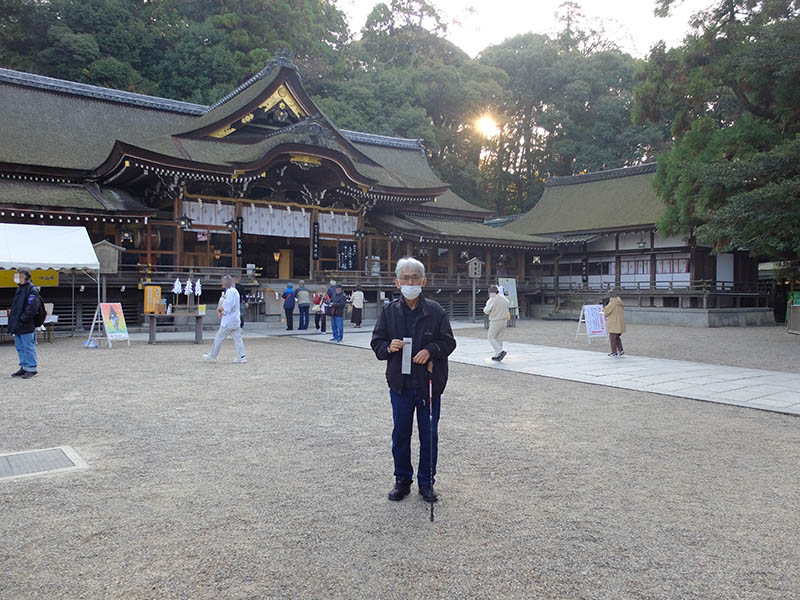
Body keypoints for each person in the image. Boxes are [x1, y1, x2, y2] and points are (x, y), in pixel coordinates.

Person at [371, 257, 456, 503]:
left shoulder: (436, 311)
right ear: (397, 283)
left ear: (423, 281)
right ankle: (402, 480)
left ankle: (427, 482)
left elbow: (449, 342)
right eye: (405, 278)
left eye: (415, 278)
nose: (410, 282)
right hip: (400, 384)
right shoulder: (389, 312)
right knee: (401, 434)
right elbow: (376, 344)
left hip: (429, 383)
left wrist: (431, 350)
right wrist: (388, 347)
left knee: (429, 434)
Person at [203, 275, 246, 363]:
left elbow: (228, 305)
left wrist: (220, 310)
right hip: (235, 320)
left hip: (229, 320)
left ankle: (213, 355)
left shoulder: (231, 292)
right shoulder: (234, 291)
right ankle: (242, 356)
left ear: (225, 283)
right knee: (238, 338)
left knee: (219, 337)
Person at [8, 268, 41, 379]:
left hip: (26, 324)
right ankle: (24, 366)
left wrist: (22, 319)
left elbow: (32, 308)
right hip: (17, 324)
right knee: (20, 347)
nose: (16, 277)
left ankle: (32, 368)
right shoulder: (19, 289)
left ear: (24, 276)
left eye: (18, 275)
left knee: (28, 347)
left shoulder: (32, 290)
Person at [483, 284, 510, 361]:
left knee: (490, 337)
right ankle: (498, 354)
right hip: (504, 320)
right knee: (499, 337)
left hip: (496, 320)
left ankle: (500, 351)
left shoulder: (492, 299)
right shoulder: (503, 298)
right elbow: (508, 304)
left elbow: (486, 311)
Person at [603, 292, 626, 357]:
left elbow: (606, 311)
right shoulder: (620, 302)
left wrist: (604, 305)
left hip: (613, 323)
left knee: (612, 338)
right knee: (617, 337)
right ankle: (620, 350)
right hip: (620, 323)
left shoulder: (612, 303)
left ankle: (614, 352)